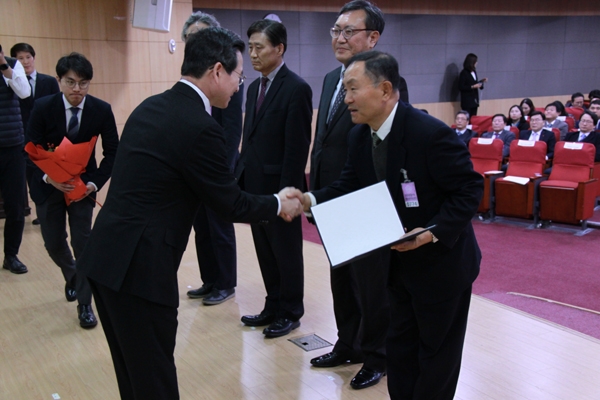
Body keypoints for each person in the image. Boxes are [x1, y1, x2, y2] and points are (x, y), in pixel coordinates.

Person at [77, 27, 304, 399]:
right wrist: (280, 203)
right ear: (217, 71)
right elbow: (230, 202)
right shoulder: (200, 127)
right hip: (141, 270)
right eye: (237, 75)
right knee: (155, 379)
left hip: (105, 260)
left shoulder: (151, 105)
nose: (237, 85)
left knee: (132, 373)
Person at [303, 50, 482, 399]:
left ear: (385, 90)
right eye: (344, 91)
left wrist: (431, 232)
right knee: (399, 351)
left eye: (353, 89)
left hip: (441, 265)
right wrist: (309, 199)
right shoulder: (360, 137)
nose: (347, 99)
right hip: (396, 266)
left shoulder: (429, 133)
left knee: (436, 358)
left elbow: (470, 189)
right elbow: (348, 186)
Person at [308, 0, 390, 390]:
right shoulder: (330, 79)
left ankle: (377, 356)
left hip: (364, 199)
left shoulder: (384, 81)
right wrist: (315, 193)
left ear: (372, 37)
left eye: (348, 31)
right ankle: (348, 344)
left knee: (371, 286)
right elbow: (323, 141)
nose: (339, 38)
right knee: (342, 279)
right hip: (332, 196)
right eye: (335, 30)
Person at [25, 52, 119, 328]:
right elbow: (30, 150)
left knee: (83, 243)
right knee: (53, 242)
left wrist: (94, 182)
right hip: (49, 186)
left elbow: (113, 153)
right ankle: (74, 276)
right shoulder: (42, 107)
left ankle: (84, 304)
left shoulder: (101, 110)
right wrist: (48, 178)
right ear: (59, 81)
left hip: (82, 187)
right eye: (70, 82)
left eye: (83, 83)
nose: (77, 89)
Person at [235, 19, 312, 338]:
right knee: (265, 250)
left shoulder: (296, 88)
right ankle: (272, 304)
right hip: (255, 186)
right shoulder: (253, 87)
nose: (252, 54)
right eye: (250, 47)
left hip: (281, 188)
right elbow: (248, 137)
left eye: (259, 47)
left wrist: (289, 196)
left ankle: (291, 311)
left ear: (279, 49)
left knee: (286, 251)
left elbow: (297, 148)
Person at [181, 12, 243, 305]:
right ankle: (210, 280)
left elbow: (232, 130)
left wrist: (226, 169)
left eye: (201, 35)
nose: (195, 41)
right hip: (196, 167)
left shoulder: (229, 77)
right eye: (191, 37)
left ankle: (226, 283)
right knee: (201, 227)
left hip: (219, 167)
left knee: (219, 226)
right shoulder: (192, 76)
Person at [10, 42, 60, 226]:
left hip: (46, 138)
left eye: (28, 57)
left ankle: (50, 209)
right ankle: (40, 207)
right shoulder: (13, 84)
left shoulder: (48, 81)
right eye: (20, 58)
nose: (25, 62)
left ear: (34, 58)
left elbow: (56, 109)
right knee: (32, 176)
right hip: (22, 136)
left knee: (49, 172)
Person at [0, 44, 30, 274]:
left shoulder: (12, 65)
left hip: (12, 147)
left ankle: (11, 255)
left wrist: (3, 66)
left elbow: (24, 92)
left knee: (15, 206)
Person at [458, 53, 487, 117]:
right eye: (475, 61)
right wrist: (473, 86)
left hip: (474, 100)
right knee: (467, 118)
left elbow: (474, 82)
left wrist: (481, 82)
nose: (477, 63)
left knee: (474, 118)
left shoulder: (474, 71)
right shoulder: (464, 73)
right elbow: (461, 87)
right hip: (467, 101)